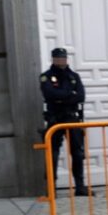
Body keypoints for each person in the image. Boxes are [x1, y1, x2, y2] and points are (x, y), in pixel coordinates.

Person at [40, 47, 90, 196]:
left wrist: (61, 96)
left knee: (78, 152)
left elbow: (81, 96)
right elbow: (49, 94)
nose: (61, 60)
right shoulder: (46, 76)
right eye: (58, 58)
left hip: (71, 117)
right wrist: (69, 94)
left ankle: (80, 187)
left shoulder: (74, 76)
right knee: (53, 153)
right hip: (55, 118)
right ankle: (51, 188)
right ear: (53, 59)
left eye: (63, 58)